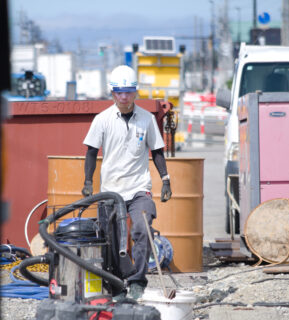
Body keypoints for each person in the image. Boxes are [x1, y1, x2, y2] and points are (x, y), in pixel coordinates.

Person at [81, 65, 172, 300]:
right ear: (112, 93)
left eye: (128, 92)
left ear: (135, 92)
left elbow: (158, 150)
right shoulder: (102, 120)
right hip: (111, 190)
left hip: (139, 188)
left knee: (142, 229)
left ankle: (137, 281)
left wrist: (165, 179)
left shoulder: (147, 119)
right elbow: (91, 151)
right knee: (109, 238)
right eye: (119, 92)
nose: (124, 97)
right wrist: (88, 181)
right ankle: (115, 284)